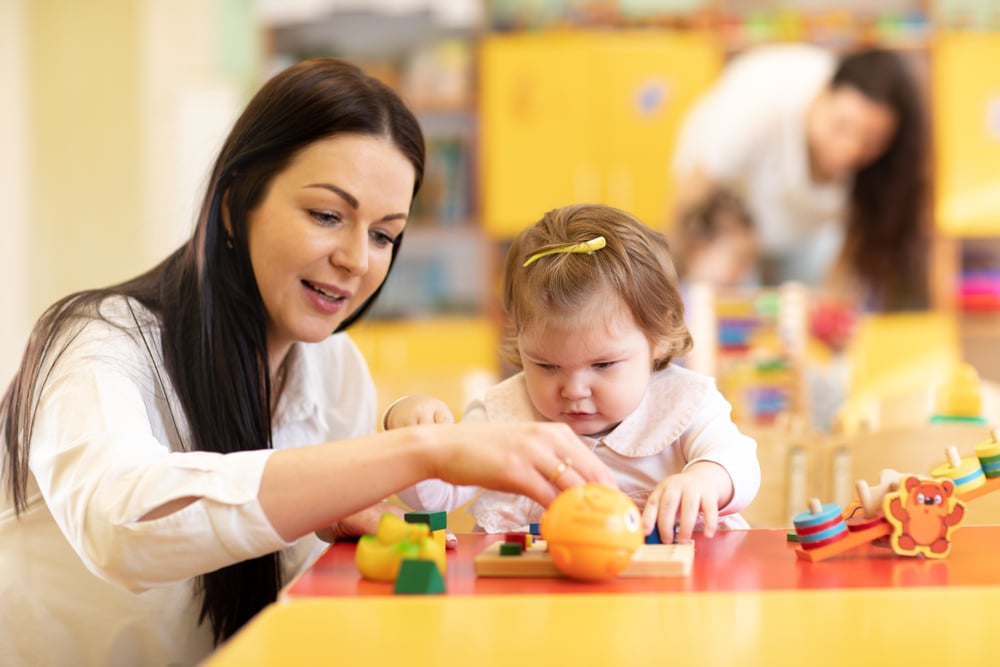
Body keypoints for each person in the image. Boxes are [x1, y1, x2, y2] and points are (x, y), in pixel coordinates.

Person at [0, 58, 616, 667]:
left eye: (383, 234)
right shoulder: (98, 343)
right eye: (327, 215)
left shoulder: (332, 368)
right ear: (234, 204)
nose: (356, 259)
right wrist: (424, 451)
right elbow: (121, 528)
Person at [387, 204, 761, 543]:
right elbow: (434, 495)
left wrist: (705, 480)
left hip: (663, 602)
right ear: (519, 341)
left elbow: (739, 461)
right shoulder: (503, 415)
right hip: (534, 607)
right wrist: (412, 433)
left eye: (602, 365)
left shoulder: (683, 404)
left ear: (659, 336)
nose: (574, 390)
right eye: (547, 365)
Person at [671, 43, 929, 311]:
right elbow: (693, 195)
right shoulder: (757, 102)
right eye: (841, 126)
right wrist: (679, 278)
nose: (851, 147)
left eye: (871, 140)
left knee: (802, 307)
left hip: (805, 235)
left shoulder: (882, 168)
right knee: (723, 295)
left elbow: (852, 251)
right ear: (822, 96)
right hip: (726, 218)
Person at [669, 187, 758, 288]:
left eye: (751, 263)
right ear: (697, 251)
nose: (748, 275)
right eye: (740, 261)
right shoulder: (669, 300)